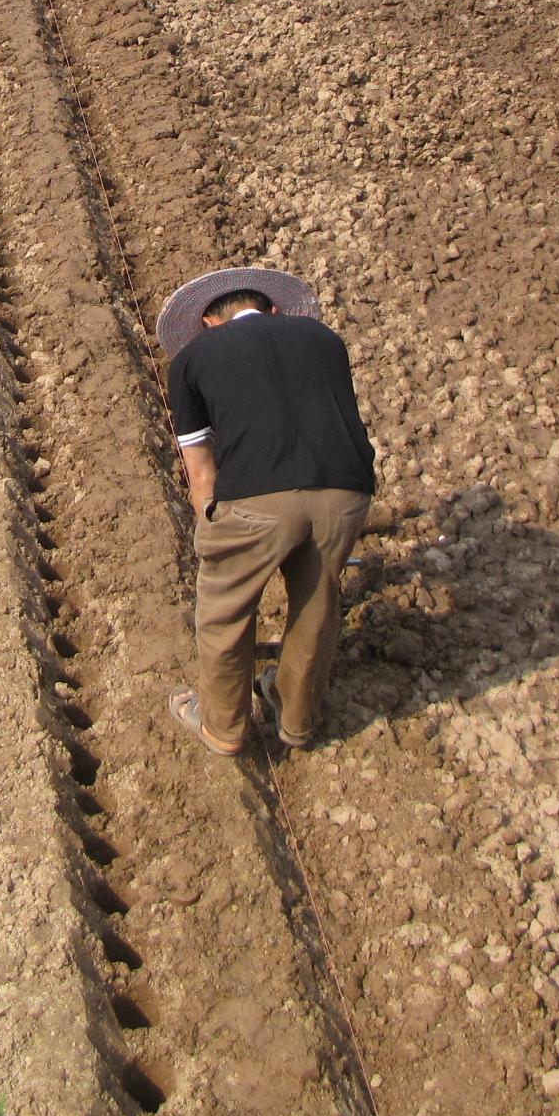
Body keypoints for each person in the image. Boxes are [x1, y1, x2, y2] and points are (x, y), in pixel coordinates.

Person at [156, 267, 375, 755]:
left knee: (225, 609)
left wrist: (210, 532)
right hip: (346, 491)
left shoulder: (192, 359)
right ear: (273, 309)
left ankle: (222, 727)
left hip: (256, 495)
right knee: (317, 605)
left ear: (208, 322)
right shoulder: (324, 339)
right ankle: (296, 720)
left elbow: (201, 469)